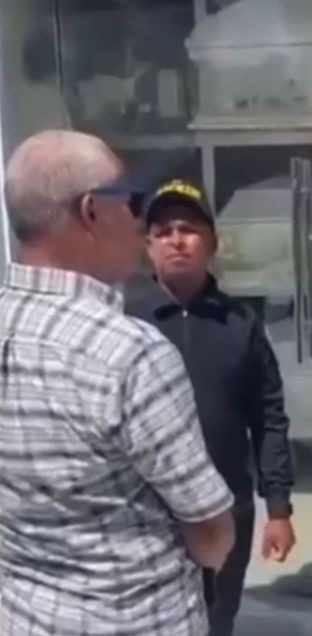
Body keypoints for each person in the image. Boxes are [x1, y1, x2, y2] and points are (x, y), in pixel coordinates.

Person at [0, 130, 235, 635]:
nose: (138, 220)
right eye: (131, 202)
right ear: (91, 211)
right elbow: (211, 531)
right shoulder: (128, 352)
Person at [125, 178, 296, 636]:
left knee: (217, 620)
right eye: (163, 231)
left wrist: (278, 508)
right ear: (148, 245)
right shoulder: (125, 324)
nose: (176, 240)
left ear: (212, 243)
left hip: (225, 509)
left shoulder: (240, 324)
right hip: (146, 513)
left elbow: (269, 418)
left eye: (189, 229)